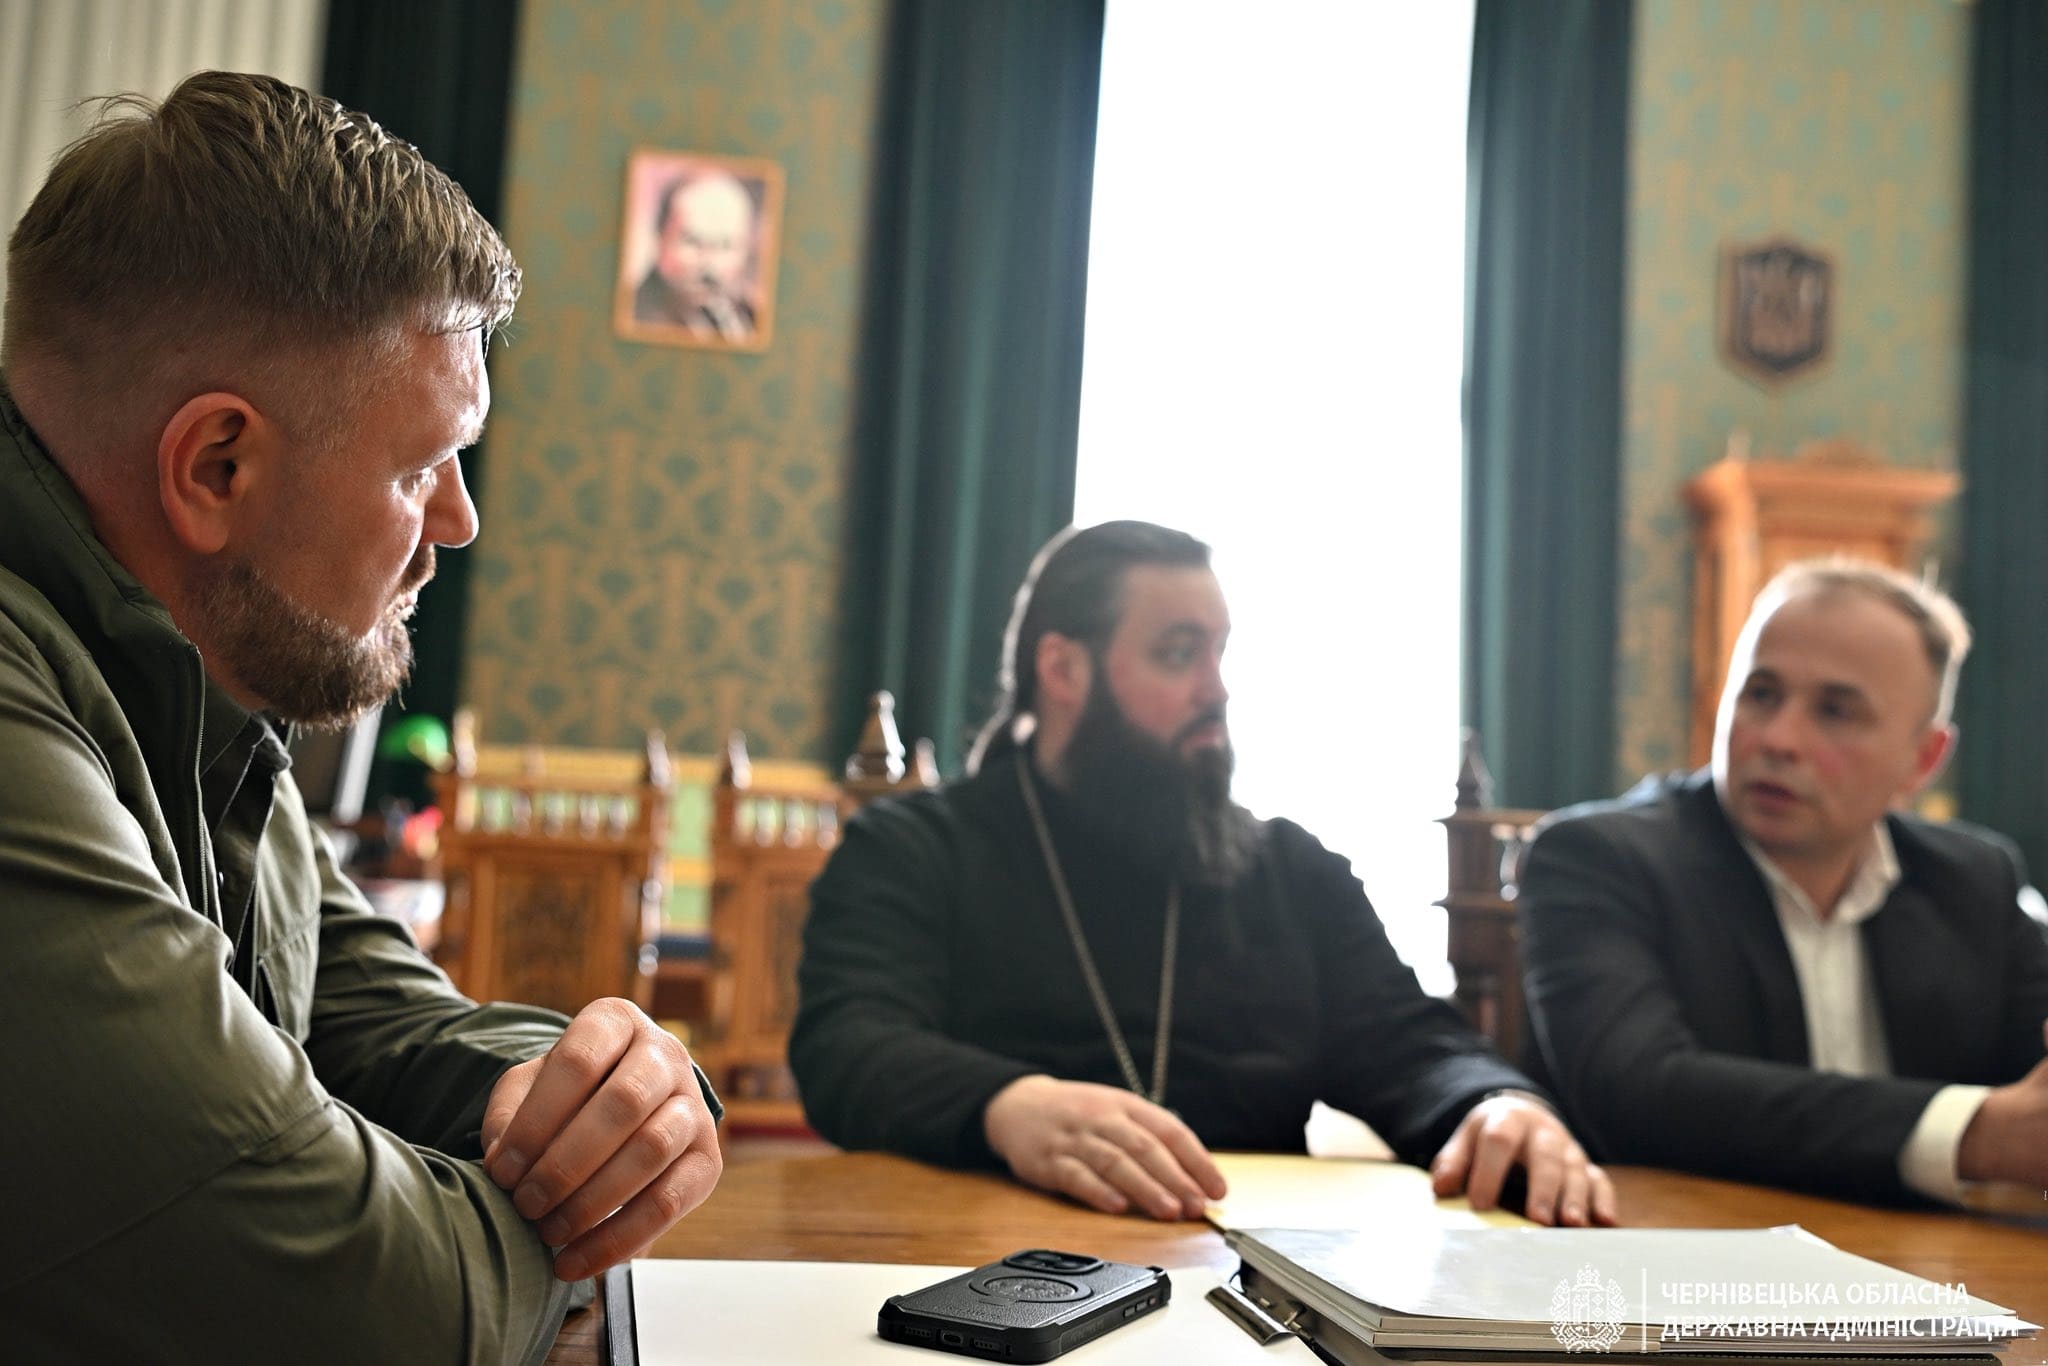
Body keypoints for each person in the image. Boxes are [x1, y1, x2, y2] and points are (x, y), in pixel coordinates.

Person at [0, 73, 720, 1362]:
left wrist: (617, 1095)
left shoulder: (199, 692)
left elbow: (385, 1028)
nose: (459, 522)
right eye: (420, 465)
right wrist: (567, 1216)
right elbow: (378, 1307)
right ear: (216, 465)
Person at [791, 521, 1614, 1227]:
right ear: (1063, 670)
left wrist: (1495, 1105)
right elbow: (848, 1045)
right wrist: (1006, 1106)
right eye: (1178, 654)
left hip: (1240, 1282)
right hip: (977, 1264)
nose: (1216, 691)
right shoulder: (912, 849)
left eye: (1220, 654)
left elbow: (1410, 1043)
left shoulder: (1291, 872)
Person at [1520, 559, 2048, 1206]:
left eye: (1835, 711)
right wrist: (1971, 1135)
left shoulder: (1973, 879)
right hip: (1678, 1249)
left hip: (1932, 1258)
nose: (1778, 739)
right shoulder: (1598, 858)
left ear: (1923, 759)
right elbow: (1636, 1095)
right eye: (1761, 694)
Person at [632, 169, 760, 340]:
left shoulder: (749, 318)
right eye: (692, 241)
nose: (708, 262)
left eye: (725, 245)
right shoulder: (634, 315)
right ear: (660, 237)